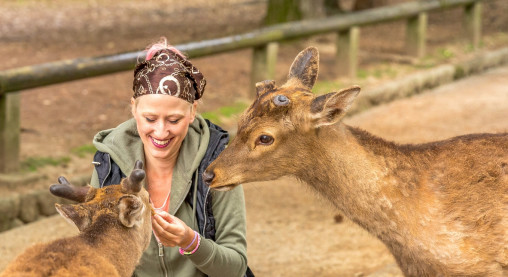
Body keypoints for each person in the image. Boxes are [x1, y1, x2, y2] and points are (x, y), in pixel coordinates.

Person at [89, 38, 253, 277]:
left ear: (192, 112)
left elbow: (235, 268)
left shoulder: (217, 162)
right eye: (150, 119)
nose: (161, 132)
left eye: (174, 120)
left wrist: (191, 242)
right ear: (134, 108)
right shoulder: (108, 165)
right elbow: (94, 260)